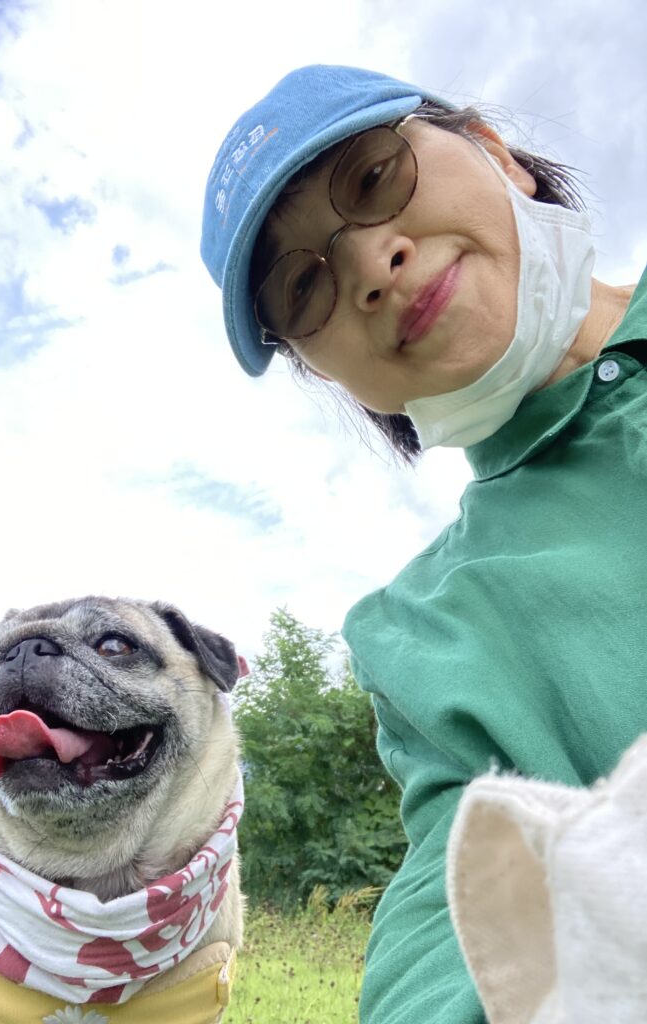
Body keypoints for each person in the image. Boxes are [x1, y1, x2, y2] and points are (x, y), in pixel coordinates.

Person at [200, 64, 645, 1023]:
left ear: (492, 150)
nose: (366, 267)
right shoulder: (426, 640)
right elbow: (450, 939)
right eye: (301, 288)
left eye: (370, 181)